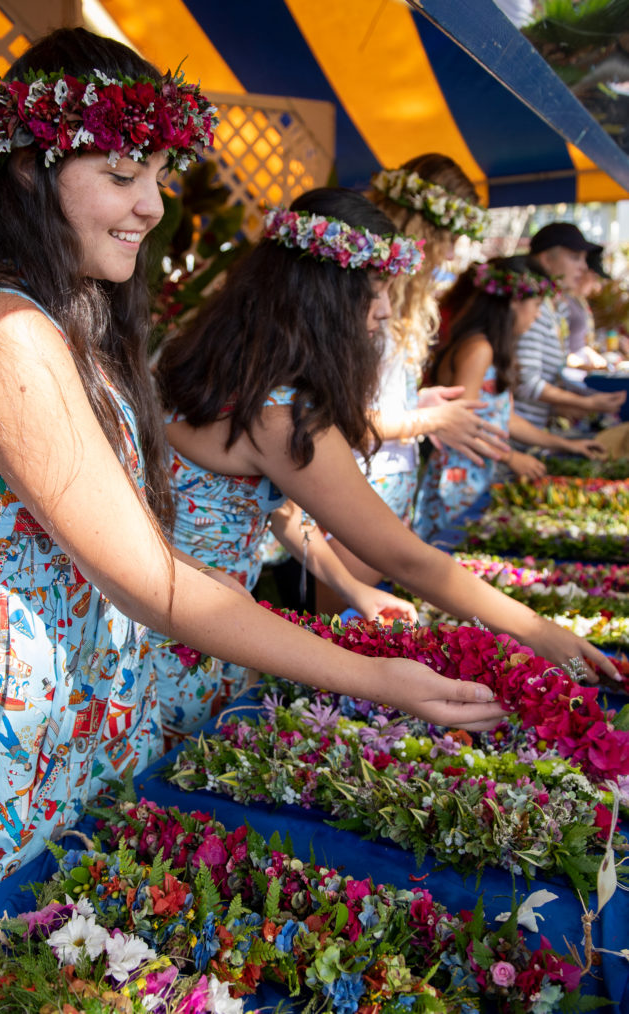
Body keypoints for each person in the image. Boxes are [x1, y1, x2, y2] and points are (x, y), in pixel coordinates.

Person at [0, 28, 509, 923]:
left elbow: (143, 550)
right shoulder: (1, 331)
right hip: (7, 712)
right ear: (26, 169)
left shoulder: (63, 322)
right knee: (21, 958)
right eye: (123, 173)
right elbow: (151, 582)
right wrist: (372, 676)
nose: (153, 205)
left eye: (160, 175)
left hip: (80, 686)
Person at [152, 188, 617, 742]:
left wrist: (353, 588)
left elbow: (268, 510)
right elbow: (407, 558)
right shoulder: (280, 415)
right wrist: (538, 632)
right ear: (319, 298)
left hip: (179, 614)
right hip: (185, 636)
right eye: (374, 293)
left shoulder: (215, 361)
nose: (386, 311)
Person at [314, 155, 509, 609]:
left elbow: (374, 398)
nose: (451, 253)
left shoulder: (399, 299)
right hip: (357, 489)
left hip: (391, 485)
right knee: (339, 631)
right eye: (449, 239)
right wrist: (428, 418)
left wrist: (417, 401)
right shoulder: (361, 299)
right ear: (425, 229)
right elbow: (342, 419)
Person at [412, 257, 607, 542]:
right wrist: (511, 456)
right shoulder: (478, 349)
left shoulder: (491, 347)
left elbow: (504, 418)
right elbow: (460, 425)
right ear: (514, 302)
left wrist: (566, 444)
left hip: (476, 474)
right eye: (538, 306)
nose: (539, 316)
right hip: (458, 480)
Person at [514, 222, 626, 430]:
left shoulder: (558, 308)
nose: (584, 267)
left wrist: (587, 400)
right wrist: (587, 402)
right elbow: (525, 381)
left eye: (583, 259)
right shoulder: (532, 309)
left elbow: (551, 374)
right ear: (546, 259)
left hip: (536, 430)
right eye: (575, 257)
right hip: (516, 438)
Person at [565, 247, 609, 371]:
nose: (596, 284)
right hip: (570, 372)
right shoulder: (563, 300)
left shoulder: (579, 300)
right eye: (594, 277)